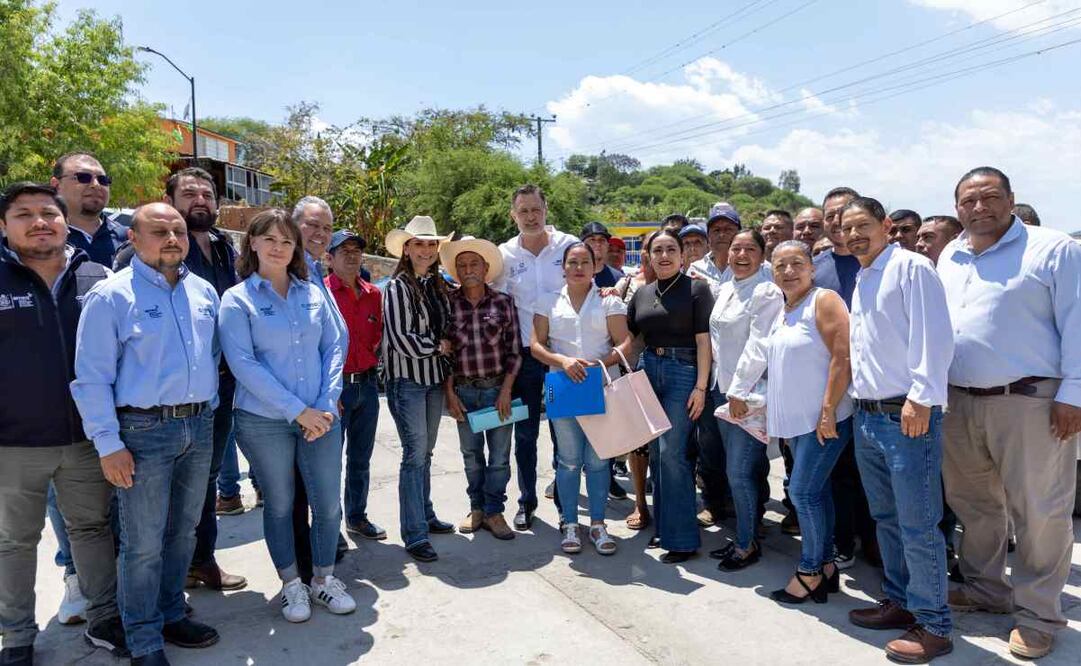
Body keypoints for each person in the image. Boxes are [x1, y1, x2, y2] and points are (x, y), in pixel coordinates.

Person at [939, 167, 1081, 660]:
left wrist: (1074, 394)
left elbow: (1078, 322)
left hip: (1031, 401)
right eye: (969, 200)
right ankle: (985, 590)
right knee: (975, 505)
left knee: (1040, 511)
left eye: (990, 197)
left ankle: (1039, 615)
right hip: (958, 401)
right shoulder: (950, 255)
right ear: (957, 207)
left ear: (1011, 199)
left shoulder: (1054, 249)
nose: (980, 207)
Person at [71, 202, 221, 665]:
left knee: (183, 533)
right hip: (142, 430)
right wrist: (109, 444)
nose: (172, 238)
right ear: (133, 239)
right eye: (159, 231)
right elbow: (90, 377)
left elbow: (213, 356)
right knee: (143, 543)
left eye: (177, 230)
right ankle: (143, 638)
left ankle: (172, 612)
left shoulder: (203, 293)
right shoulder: (112, 296)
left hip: (198, 424)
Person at [0, 183, 125, 666]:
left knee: (92, 531)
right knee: (14, 542)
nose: (39, 222)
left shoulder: (97, 275)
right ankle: (17, 639)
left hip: (87, 440)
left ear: (63, 219)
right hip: (14, 444)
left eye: (48, 213)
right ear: (5, 225)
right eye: (23, 214)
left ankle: (104, 619)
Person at [218, 208, 355, 625]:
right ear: (253, 244)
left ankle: (324, 579)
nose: (278, 248)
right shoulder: (237, 299)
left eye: (287, 241)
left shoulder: (311, 292)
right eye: (270, 240)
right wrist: (299, 411)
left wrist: (327, 401)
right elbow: (243, 364)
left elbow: (334, 347)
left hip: (322, 417)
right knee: (279, 504)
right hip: (265, 421)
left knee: (329, 505)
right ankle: (291, 584)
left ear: (295, 248)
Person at [842, 197, 955, 663]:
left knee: (918, 523)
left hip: (906, 415)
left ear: (886, 225)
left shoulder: (912, 268)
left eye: (862, 226)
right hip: (869, 416)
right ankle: (900, 601)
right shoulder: (864, 276)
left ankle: (934, 624)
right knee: (887, 519)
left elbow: (936, 337)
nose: (853, 235)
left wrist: (921, 397)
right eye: (846, 229)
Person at [728, 240, 849, 605]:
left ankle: (810, 570)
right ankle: (826, 565)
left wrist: (828, 409)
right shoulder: (784, 307)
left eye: (797, 263)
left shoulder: (824, 300)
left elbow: (842, 357)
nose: (789, 272)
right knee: (817, 493)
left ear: (812, 267)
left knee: (802, 493)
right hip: (796, 424)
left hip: (822, 421)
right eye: (780, 266)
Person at [154, 168, 247, 594]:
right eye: (188, 193)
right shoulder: (156, 251)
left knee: (205, 479)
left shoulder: (227, 249)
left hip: (223, 385)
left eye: (207, 194)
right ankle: (164, 577)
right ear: (170, 199)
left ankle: (200, 560)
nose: (200, 200)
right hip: (173, 391)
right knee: (170, 486)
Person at [532, 242, 633, 554]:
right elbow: (536, 345)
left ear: (594, 266)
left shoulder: (608, 301)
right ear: (563, 267)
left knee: (599, 460)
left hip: (600, 386)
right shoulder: (547, 300)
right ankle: (571, 523)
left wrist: (604, 364)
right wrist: (563, 361)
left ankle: (599, 525)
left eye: (584, 262)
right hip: (563, 387)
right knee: (569, 460)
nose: (578, 268)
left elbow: (626, 342)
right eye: (572, 262)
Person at [493, 184, 578, 530]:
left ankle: (563, 501)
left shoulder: (568, 245)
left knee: (564, 434)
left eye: (535, 210)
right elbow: (494, 304)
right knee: (525, 435)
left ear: (546, 210)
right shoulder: (505, 255)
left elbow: (588, 280)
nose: (530, 217)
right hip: (523, 357)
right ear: (513, 216)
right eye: (523, 211)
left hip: (563, 355)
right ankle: (526, 502)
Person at [627, 230, 714, 563]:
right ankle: (664, 528)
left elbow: (704, 342)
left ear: (683, 256)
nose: (664, 256)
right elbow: (633, 342)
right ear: (647, 256)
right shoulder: (642, 293)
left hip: (683, 372)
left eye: (671, 250)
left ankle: (682, 539)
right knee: (658, 454)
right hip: (649, 369)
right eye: (657, 250)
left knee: (673, 453)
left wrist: (701, 387)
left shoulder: (697, 290)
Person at [706, 229, 783, 571]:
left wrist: (738, 391)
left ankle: (747, 543)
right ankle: (744, 534)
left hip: (748, 395)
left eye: (749, 249)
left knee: (739, 472)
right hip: (721, 392)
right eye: (736, 248)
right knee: (735, 470)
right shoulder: (725, 288)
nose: (740, 255)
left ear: (762, 256)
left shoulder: (766, 291)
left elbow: (759, 345)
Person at [383, 215, 456, 562]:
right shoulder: (397, 287)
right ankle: (414, 533)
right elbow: (401, 340)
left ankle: (424, 515)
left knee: (424, 454)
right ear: (407, 249)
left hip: (431, 381)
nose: (426, 250)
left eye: (431, 244)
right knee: (414, 456)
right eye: (419, 244)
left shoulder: (435, 285)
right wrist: (439, 347)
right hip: (408, 380)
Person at [441, 236, 521, 540]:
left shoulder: (503, 302)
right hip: (464, 393)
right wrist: (449, 394)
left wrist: (506, 391)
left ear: (486, 268)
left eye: (474, 263)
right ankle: (476, 507)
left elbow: (514, 352)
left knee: (500, 456)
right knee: (471, 455)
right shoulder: (448, 304)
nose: (468, 269)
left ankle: (494, 511)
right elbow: (446, 356)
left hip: (496, 390)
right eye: (462, 265)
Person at [815, 186, 878, 570]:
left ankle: (873, 545)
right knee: (837, 472)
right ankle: (842, 542)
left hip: (872, 385)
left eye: (844, 213)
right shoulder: (816, 264)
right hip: (828, 383)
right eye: (830, 215)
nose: (836, 221)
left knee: (869, 474)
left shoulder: (877, 263)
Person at [292, 196, 351, 579]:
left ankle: (318, 560)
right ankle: (300, 568)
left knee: (319, 490)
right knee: (295, 493)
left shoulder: (315, 270)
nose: (319, 234)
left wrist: (331, 395)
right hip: (298, 404)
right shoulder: (285, 273)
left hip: (324, 399)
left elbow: (331, 340)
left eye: (326, 228)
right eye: (312, 225)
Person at [325, 230, 386, 540]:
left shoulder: (374, 294)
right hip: (335, 391)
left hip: (367, 387)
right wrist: (327, 391)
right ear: (329, 257)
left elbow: (378, 338)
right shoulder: (320, 293)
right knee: (329, 463)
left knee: (360, 458)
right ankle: (329, 528)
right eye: (343, 250)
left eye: (356, 250)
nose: (351, 255)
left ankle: (356, 517)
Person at [615, 230, 658, 531]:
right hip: (631, 372)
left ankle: (669, 505)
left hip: (671, 373)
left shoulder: (687, 284)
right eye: (646, 249)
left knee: (670, 448)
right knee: (639, 445)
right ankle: (640, 504)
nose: (651, 255)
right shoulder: (627, 284)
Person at [50, 152, 126, 267]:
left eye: (103, 180)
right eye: (83, 177)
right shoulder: (41, 236)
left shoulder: (129, 239)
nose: (96, 185)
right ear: (56, 185)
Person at [688, 203, 741, 286]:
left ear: (738, 233)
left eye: (728, 230)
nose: (722, 235)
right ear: (708, 235)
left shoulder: (752, 267)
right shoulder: (696, 269)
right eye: (716, 230)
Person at [580, 222, 622, 287]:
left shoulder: (618, 279)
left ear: (608, 245)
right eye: (592, 240)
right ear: (582, 245)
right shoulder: (574, 276)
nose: (598, 244)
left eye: (602, 240)